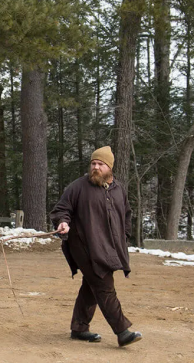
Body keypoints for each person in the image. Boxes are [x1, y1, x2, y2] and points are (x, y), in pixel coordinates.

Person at [50, 146, 142, 347]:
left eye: (100, 164)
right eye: (93, 163)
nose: (96, 167)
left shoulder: (118, 190)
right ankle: (122, 331)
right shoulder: (78, 187)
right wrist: (63, 222)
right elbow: (61, 209)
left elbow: (127, 214)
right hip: (83, 244)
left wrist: (123, 236)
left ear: (109, 167)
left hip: (109, 247)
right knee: (103, 283)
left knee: (91, 286)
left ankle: (79, 327)